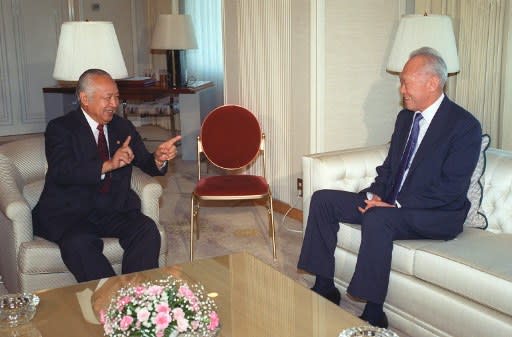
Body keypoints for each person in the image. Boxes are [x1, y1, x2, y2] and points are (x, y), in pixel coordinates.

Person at [297, 47, 482, 328]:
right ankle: (325, 287)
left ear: (432, 83)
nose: (401, 89)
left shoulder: (464, 126)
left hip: (436, 214)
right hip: (392, 204)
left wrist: (395, 206)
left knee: (378, 217)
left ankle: (374, 311)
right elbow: (392, 167)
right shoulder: (406, 117)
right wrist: (375, 194)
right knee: (323, 199)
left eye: (406, 81)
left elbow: (451, 189)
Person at [32, 68, 181, 282]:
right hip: (70, 212)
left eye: (117, 97)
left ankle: (138, 295)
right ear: (84, 99)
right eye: (108, 98)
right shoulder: (61, 128)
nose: (114, 104)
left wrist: (158, 159)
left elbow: (145, 162)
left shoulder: (123, 127)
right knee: (79, 244)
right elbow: (62, 171)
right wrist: (107, 165)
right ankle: (113, 299)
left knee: (147, 230)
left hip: (113, 207)